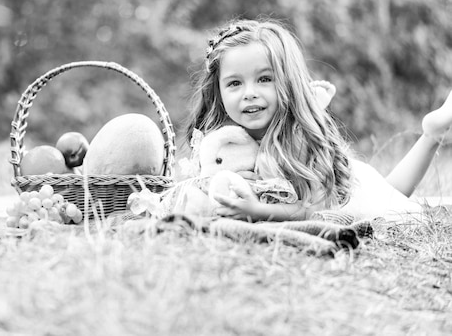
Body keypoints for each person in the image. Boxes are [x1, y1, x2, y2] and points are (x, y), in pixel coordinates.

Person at [185, 18, 452, 221]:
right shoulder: (225, 140)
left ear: (287, 82)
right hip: (341, 184)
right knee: (395, 192)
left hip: (346, 196)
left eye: (265, 79)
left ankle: (432, 135)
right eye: (234, 83)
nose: (250, 94)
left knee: (398, 204)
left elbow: (311, 209)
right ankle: (432, 134)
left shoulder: (295, 138)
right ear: (217, 91)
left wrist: (257, 210)